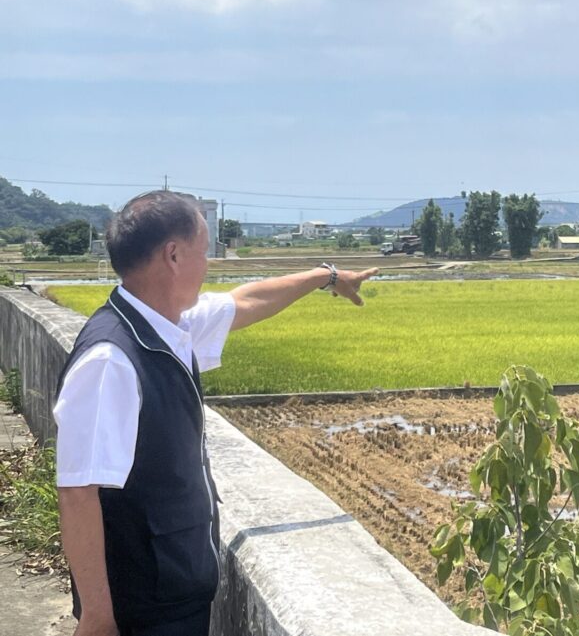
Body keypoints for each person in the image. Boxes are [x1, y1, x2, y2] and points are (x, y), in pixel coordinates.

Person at [54, 191, 377, 636]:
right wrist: (97, 617)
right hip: (140, 609)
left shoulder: (168, 325)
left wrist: (328, 276)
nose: (208, 265)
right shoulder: (111, 359)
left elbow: (245, 302)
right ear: (173, 255)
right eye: (203, 252)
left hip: (175, 590)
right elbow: (78, 492)